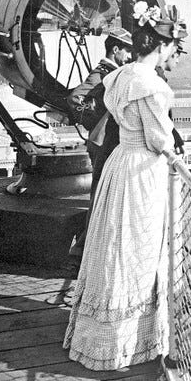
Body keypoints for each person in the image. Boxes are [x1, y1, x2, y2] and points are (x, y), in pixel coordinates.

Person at [63, 1, 187, 371]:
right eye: (172, 48)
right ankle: (129, 341)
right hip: (141, 172)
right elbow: (160, 139)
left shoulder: (119, 76)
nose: (172, 55)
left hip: (119, 163)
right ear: (162, 46)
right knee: (138, 248)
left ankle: (104, 332)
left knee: (114, 244)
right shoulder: (150, 85)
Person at [67, 28, 133, 257]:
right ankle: (82, 250)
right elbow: (75, 98)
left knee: (102, 193)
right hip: (102, 141)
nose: (129, 56)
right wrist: (95, 122)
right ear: (115, 50)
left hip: (104, 141)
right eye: (127, 51)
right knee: (100, 194)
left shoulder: (111, 72)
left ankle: (87, 248)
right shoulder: (104, 73)